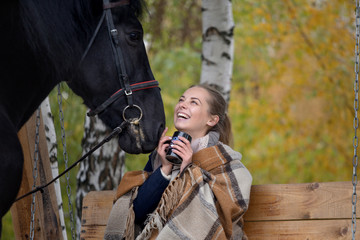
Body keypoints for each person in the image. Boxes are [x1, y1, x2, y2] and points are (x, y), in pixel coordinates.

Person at [104, 84, 252, 240]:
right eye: (181, 100)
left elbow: (214, 221)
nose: (182, 105)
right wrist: (164, 169)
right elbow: (138, 214)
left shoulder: (226, 162)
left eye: (194, 102)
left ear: (212, 119)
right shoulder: (160, 156)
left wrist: (188, 170)